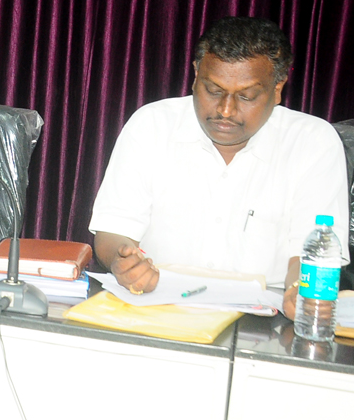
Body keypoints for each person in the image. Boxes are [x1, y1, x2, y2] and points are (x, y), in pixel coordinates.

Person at [89, 16, 349, 316]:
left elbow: (312, 252)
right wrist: (124, 262)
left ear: (278, 88)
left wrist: (298, 292)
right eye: (213, 90)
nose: (226, 110)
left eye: (246, 96)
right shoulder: (152, 125)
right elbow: (112, 231)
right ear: (195, 75)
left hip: (264, 319)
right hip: (157, 308)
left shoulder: (313, 142)